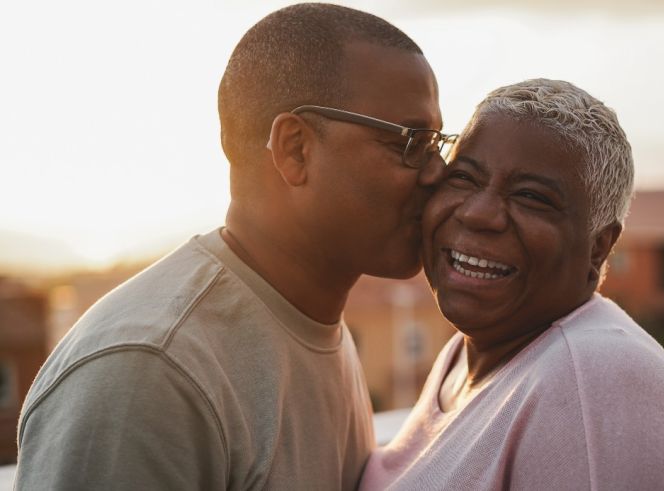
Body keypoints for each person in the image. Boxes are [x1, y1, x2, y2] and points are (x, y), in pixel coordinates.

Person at [15, 4, 452, 489]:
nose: (438, 174)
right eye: (411, 142)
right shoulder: (150, 373)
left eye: (438, 143)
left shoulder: (311, 321)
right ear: (295, 149)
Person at [360, 79, 664, 490]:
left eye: (532, 197)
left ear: (598, 248)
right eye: (463, 178)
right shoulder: (472, 354)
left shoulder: (601, 382)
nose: (480, 214)